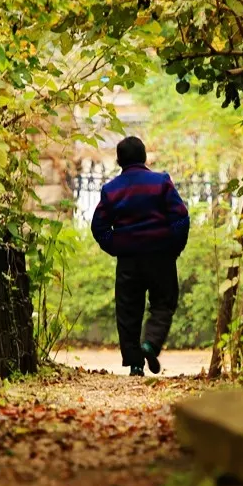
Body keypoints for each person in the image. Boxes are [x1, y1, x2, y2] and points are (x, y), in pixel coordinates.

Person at [90, 136, 190, 376]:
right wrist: (172, 246)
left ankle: (135, 364)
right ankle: (150, 344)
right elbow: (181, 218)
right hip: (161, 257)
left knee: (128, 311)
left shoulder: (111, 190)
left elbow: (99, 228)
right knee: (163, 304)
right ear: (145, 157)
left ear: (118, 160)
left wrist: (117, 246)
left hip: (129, 261)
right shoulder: (161, 182)